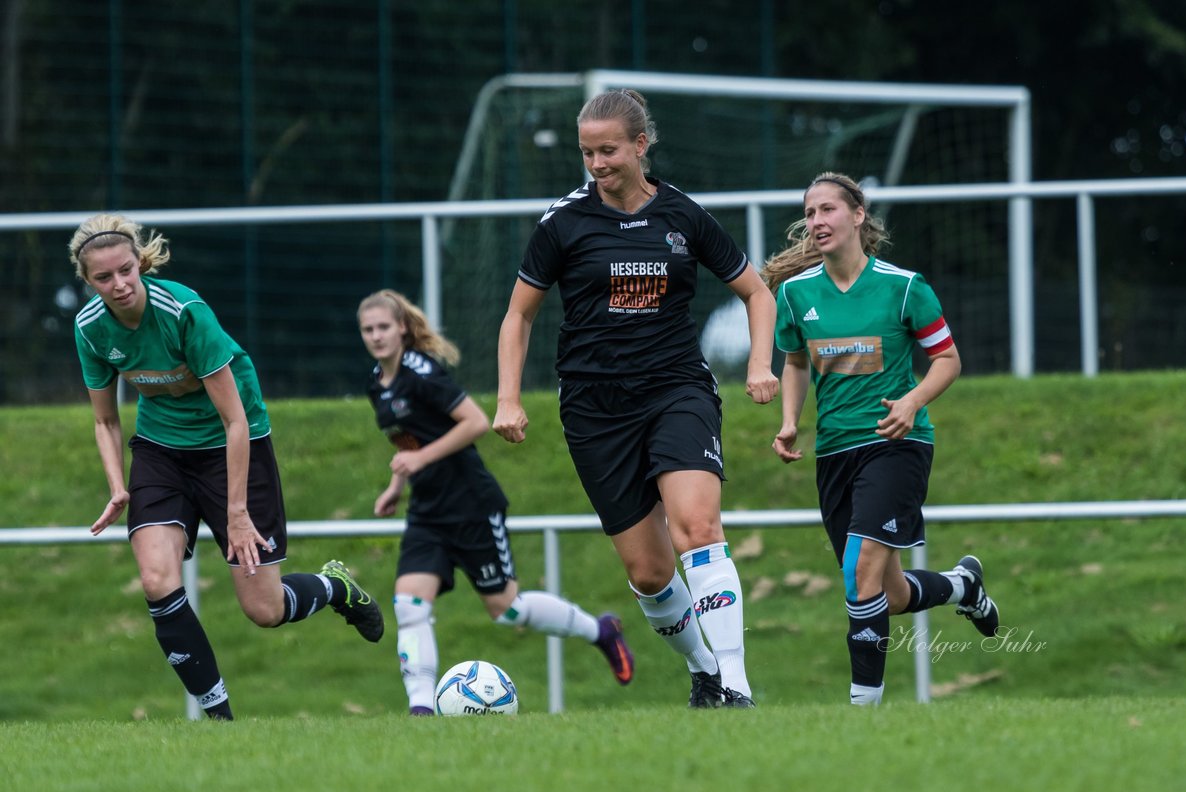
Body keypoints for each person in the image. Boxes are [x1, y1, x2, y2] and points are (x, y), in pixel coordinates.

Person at [493, 89, 779, 709]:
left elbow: (757, 293)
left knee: (698, 527)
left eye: (609, 150)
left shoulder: (683, 215)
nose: (597, 164)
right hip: (595, 409)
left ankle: (736, 684)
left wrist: (761, 363)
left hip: (676, 389)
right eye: (587, 152)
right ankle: (704, 671)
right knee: (649, 573)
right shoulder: (562, 223)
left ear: (641, 145)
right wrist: (508, 398)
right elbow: (518, 317)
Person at [70, 214, 384, 721]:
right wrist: (116, 486)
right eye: (103, 278)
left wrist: (236, 513)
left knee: (264, 610)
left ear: (140, 264)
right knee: (155, 578)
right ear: (88, 281)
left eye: (126, 270)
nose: (119, 284)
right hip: (160, 448)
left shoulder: (184, 312)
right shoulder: (90, 327)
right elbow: (105, 421)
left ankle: (333, 586)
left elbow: (234, 420)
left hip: (234, 442)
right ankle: (221, 721)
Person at [761, 172, 1001, 706]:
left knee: (859, 571)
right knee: (885, 592)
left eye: (828, 210)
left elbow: (948, 360)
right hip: (835, 453)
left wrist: (914, 401)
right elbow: (796, 362)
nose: (817, 222)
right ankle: (963, 587)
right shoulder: (798, 294)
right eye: (810, 213)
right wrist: (790, 419)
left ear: (858, 215)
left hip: (898, 445)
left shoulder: (904, 287)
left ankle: (862, 711)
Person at [357, 289, 635, 715]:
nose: (376, 336)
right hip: (427, 511)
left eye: (383, 327)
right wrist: (397, 486)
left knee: (506, 609)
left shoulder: (422, 372)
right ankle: (420, 712)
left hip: (471, 503)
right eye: (368, 329)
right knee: (409, 604)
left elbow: (475, 422)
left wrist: (419, 458)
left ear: (402, 329)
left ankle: (600, 630)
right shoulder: (377, 384)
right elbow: (410, 441)